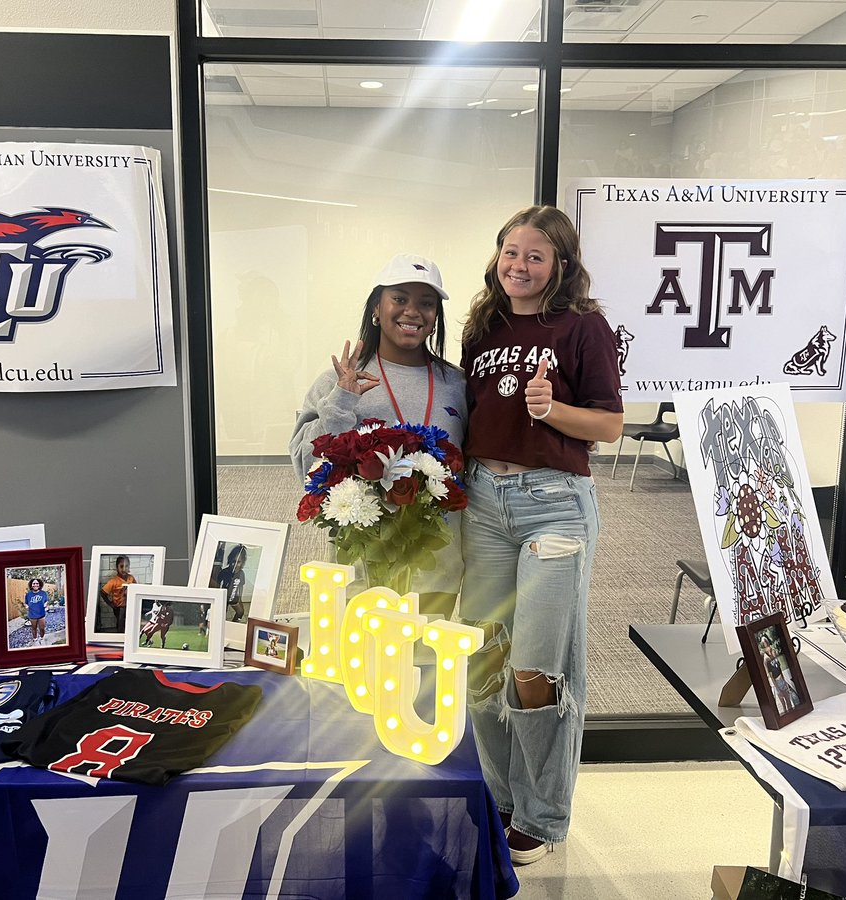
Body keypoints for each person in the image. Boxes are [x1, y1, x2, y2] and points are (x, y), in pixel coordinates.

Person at [459, 206, 624, 865]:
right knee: (485, 659)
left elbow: (609, 426)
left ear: (560, 264)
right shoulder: (484, 325)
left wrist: (551, 410)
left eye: (535, 255)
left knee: (536, 668)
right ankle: (501, 798)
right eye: (510, 252)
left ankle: (542, 815)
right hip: (482, 501)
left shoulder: (584, 326)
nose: (519, 266)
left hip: (553, 505)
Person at [290, 253, 468, 618]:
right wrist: (342, 401)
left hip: (437, 568)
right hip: (361, 567)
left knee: (427, 653)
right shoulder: (340, 380)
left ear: (436, 317)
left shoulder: (457, 384)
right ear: (376, 308)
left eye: (426, 303)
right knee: (361, 652)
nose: (412, 311)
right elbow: (305, 465)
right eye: (399, 298)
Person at [100, 555, 137, 633]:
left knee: (130, 621)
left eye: (126, 566)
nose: (124, 569)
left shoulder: (131, 578)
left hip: (130, 605)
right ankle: (119, 635)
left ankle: (129, 635)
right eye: (121, 566)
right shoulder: (113, 581)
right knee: (120, 622)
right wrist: (110, 603)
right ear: (117, 568)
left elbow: (136, 589)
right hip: (119, 607)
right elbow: (103, 592)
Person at [217, 544, 251, 623]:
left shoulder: (241, 573)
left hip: (234, 598)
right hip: (224, 598)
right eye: (233, 561)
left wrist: (240, 598)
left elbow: (241, 586)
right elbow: (217, 585)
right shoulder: (224, 572)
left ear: (242, 563)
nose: (235, 565)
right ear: (230, 560)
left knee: (240, 612)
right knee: (222, 614)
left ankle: (234, 623)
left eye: (238, 562)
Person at [24, 578, 49, 646]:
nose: (35, 585)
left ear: (39, 584)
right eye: (34, 583)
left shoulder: (44, 593)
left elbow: (46, 601)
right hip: (32, 614)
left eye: (37, 583)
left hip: (41, 614)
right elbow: (26, 603)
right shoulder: (28, 594)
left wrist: (46, 604)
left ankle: (42, 638)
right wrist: (26, 606)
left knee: (42, 628)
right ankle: (35, 639)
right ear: (31, 585)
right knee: (34, 628)